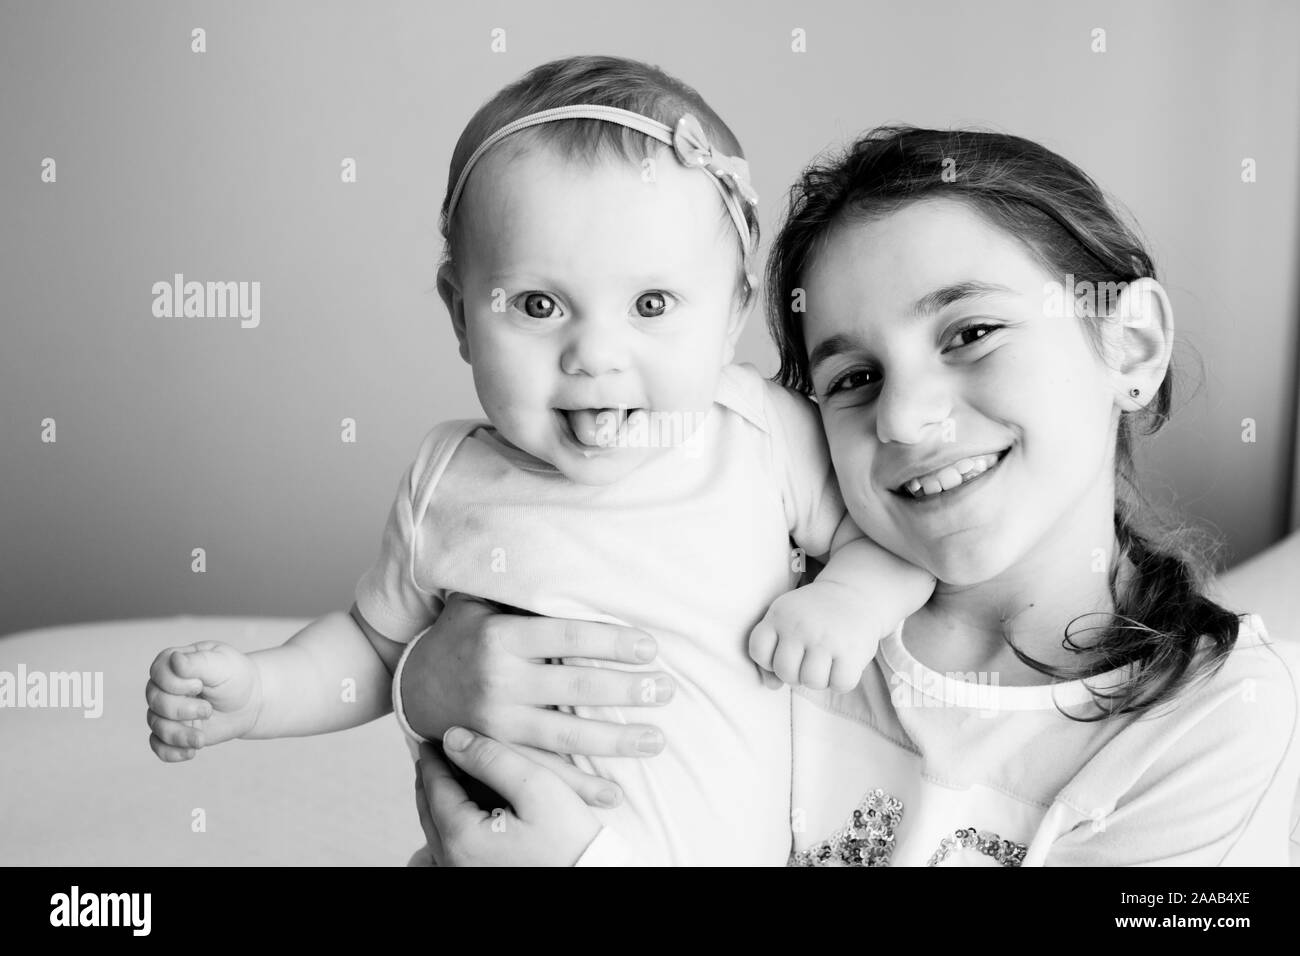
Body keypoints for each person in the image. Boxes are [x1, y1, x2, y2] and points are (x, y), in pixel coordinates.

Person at [413, 126, 1300, 866]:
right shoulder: (768, 596)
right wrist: (427, 678)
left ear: (1132, 345)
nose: (908, 418)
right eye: (853, 377)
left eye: (973, 332)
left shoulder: (1224, 729)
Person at [140, 57, 935, 867]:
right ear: (461, 314)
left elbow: (897, 537)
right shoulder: (447, 478)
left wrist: (845, 601)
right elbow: (373, 651)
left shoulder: (757, 434)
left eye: (651, 305)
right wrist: (261, 692)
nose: (594, 355)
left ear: (732, 309)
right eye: (537, 305)